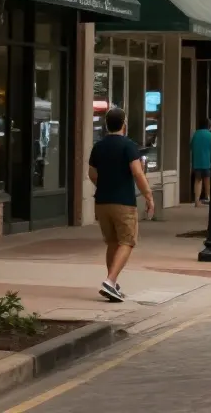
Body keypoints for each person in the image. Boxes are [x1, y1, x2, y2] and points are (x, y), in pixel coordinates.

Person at [87, 107, 152, 303]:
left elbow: (91, 173)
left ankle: (112, 285)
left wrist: (104, 184)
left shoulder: (98, 146)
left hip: (102, 202)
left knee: (112, 242)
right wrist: (148, 196)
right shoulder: (129, 146)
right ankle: (110, 280)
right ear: (124, 124)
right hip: (123, 201)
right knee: (127, 241)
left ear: (107, 125)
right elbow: (137, 173)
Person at [189, 118, 211, 207]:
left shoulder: (196, 134)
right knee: (207, 181)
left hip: (197, 162)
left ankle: (196, 200)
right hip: (207, 161)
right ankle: (208, 198)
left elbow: (191, 146)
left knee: (198, 181)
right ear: (209, 126)